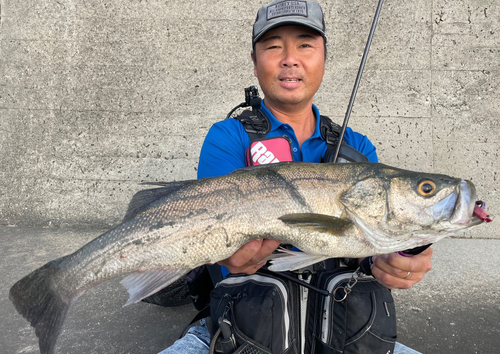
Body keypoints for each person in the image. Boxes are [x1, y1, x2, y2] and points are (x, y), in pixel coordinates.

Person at [159, 1, 432, 353]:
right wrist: (224, 256)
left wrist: (396, 258)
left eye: (305, 44)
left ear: (323, 58)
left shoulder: (358, 148)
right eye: (273, 46)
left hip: (343, 332)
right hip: (243, 330)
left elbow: (366, 247)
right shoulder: (228, 137)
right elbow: (217, 239)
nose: (290, 58)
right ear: (255, 63)